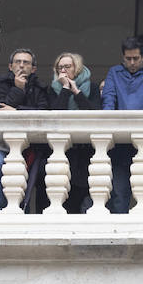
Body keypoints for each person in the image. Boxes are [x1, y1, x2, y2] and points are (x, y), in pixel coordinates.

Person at [100, 36, 143, 214]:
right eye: (128, 59)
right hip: (120, 142)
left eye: (136, 58)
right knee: (119, 193)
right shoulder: (115, 72)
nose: (132, 62)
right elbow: (108, 101)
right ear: (123, 57)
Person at [0, 49, 50, 213]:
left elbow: (42, 113)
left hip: (31, 145)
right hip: (2, 142)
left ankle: (22, 209)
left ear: (33, 68)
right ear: (10, 66)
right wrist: (18, 90)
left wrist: (16, 110)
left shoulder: (40, 88)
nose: (21, 65)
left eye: (26, 62)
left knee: (30, 174)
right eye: (18, 62)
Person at [46, 51, 96, 214]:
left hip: (87, 149)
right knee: (67, 197)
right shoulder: (53, 89)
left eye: (67, 66)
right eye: (60, 68)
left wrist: (77, 91)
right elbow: (56, 114)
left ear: (77, 68)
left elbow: (93, 114)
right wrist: (65, 89)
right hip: (64, 150)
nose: (63, 71)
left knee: (88, 197)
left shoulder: (92, 87)